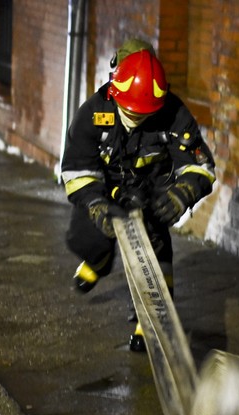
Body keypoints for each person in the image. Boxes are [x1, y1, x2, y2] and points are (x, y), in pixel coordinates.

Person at [60, 38, 216, 352]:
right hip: (106, 194)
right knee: (86, 234)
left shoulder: (173, 113)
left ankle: (151, 320)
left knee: (155, 250)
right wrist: (95, 205)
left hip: (152, 196)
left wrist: (181, 195)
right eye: (128, 110)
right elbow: (76, 169)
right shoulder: (94, 112)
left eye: (143, 114)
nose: (134, 117)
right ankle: (98, 259)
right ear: (114, 89)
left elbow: (201, 166)